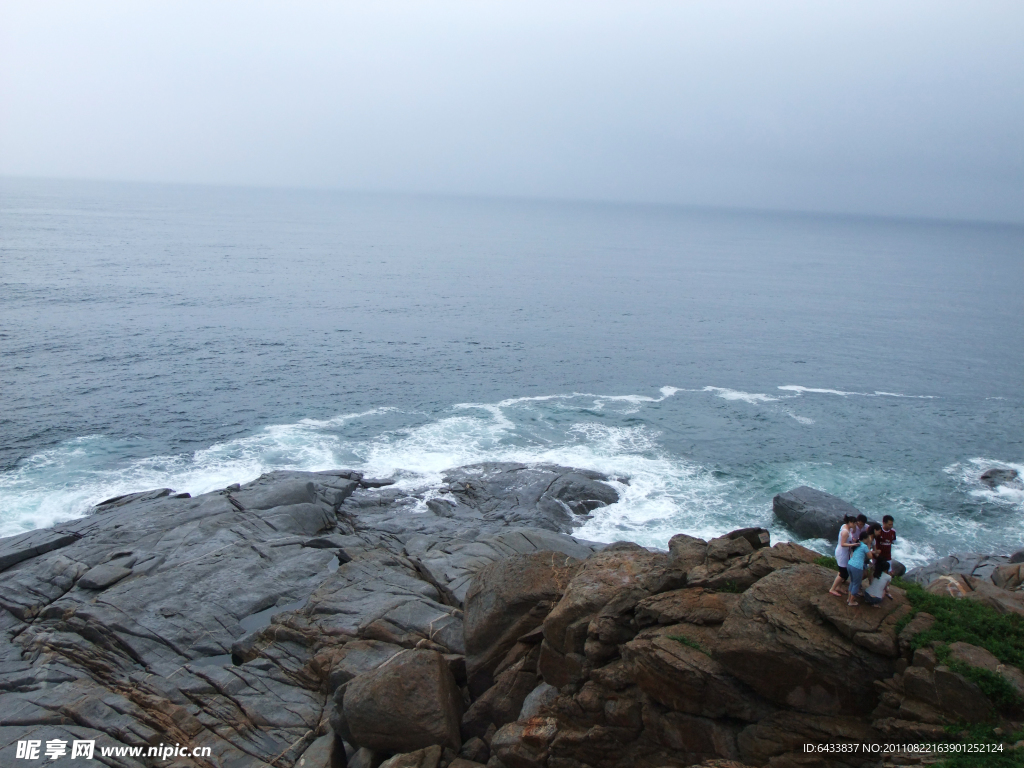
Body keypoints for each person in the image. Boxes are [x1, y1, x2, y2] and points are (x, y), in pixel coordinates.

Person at [829, 515, 858, 597]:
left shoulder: (846, 527)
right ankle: (832, 589)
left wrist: (854, 528)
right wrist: (853, 544)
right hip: (842, 553)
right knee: (843, 573)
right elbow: (843, 544)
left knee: (843, 570)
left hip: (846, 553)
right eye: (854, 523)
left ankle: (839, 587)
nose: (855, 524)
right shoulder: (845, 532)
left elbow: (854, 532)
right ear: (850, 522)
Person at [846, 529, 874, 607]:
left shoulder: (857, 543)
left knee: (852, 582)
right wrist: (869, 544)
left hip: (850, 564)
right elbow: (870, 556)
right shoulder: (864, 546)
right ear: (865, 539)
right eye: (868, 538)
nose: (870, 539)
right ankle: (851, 601)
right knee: (856, 584)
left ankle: (849, 598)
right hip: (857, 567)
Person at [874, 515, 897, 581]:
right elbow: (874, 541)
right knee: (875, 570)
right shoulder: (879, 531)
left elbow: (893, 541)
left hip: (887, 556)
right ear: (884, 523)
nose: (891, 526)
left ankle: (886, 587)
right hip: (878, 556)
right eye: (889, 524)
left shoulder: (893, 532)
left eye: (892, 524)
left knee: (888, 572)